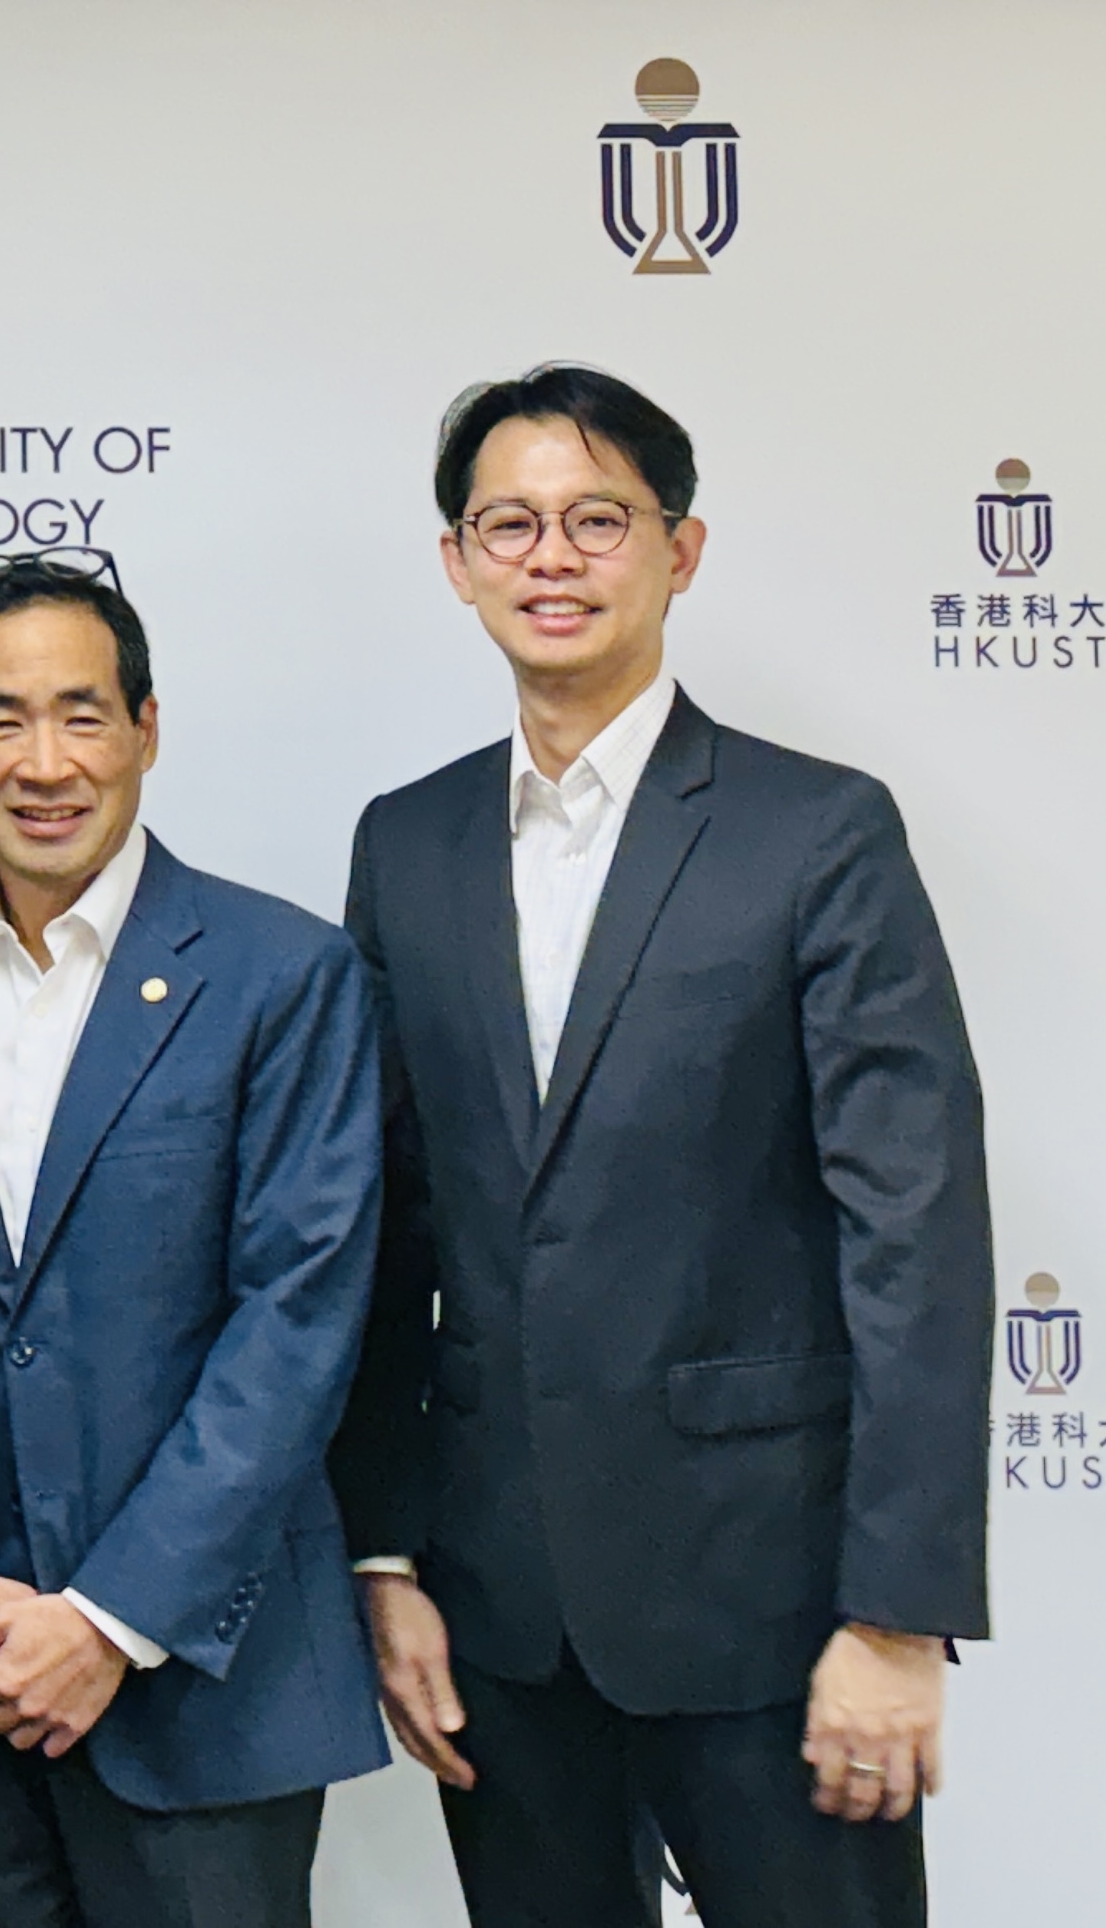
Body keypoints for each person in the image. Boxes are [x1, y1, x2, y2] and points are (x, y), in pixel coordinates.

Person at [329, 367, 990, 1928]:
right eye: (508, 522)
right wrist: (379, 1553)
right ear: (455, 561)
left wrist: (893, 1613)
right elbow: (378, 1228)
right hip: (497, 1607)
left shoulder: (813, 830)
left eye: (593, 519)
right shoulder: (400, 842)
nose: (547, 556)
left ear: (677, 550)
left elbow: (911, 1227)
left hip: (768, 1604)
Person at [0, 553, 386, 1928]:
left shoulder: (279, 972)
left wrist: (105, 1616)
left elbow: (295, 1319)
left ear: (144, 727)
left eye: (81, 712)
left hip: (197, 1688)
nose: (44, 760)